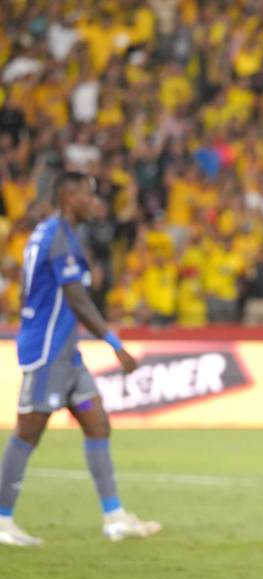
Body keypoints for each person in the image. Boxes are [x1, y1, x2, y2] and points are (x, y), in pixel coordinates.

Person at [0, 172, 161, 546]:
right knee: (27, 432)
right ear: (69, 197)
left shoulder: (54, 233)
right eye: (89, 196)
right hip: (47, 354)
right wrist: (114, 343)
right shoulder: (58, 237)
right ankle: (3, 519)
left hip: (67, 355)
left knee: (97, 422)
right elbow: (76, 298)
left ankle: (114, 516)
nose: (95, 203)